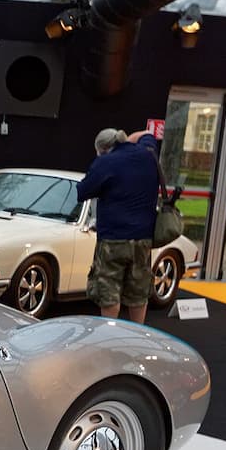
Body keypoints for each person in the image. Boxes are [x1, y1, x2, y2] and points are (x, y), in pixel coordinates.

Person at [76, 128, 161, 324]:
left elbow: (82, 192)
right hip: (142, 239)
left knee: (109, 291)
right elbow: (146, 133)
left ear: (104, 149)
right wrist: (126, 139)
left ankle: (110, 334)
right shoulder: (147, 153)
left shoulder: (106, 162)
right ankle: (135, 336)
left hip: (113, 240)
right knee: (138, 293)